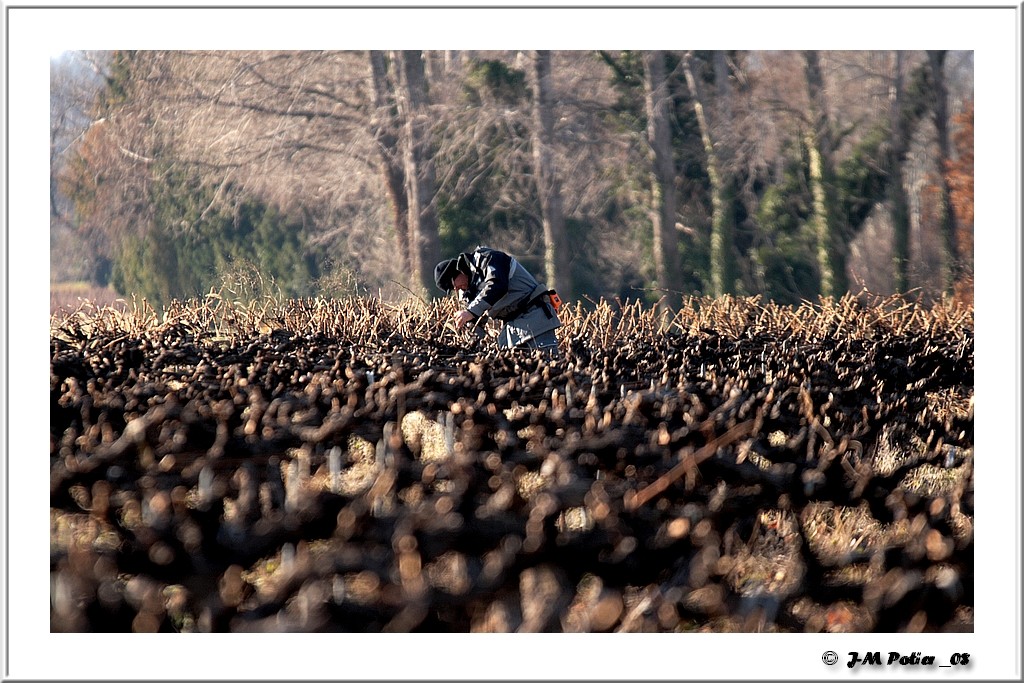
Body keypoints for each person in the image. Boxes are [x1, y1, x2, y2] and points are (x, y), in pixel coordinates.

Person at [434, 246, 562, 355]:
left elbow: (497, 285)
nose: (456, 289)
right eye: (451, 289)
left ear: (458, 271)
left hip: (536, 320)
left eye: (453, 284)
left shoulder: (488, 259)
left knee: (549, 365)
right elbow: (476, 323)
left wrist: (470, 312)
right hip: (514, 333)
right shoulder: (468, 292)